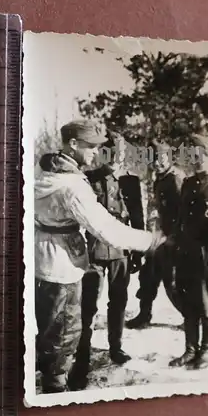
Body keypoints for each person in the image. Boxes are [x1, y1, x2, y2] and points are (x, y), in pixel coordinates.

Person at [34, 120, 166, 393]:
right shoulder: (75, 184)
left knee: (56, 334)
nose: (97, 152)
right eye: (91, 147)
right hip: (69, 265)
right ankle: (60, 389)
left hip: (48, 260)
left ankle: (65, 376)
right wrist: (149, 241)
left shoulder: (44, 169)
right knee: (65, 335)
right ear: (73, 145)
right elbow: (106, 228)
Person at [69, 133, 145, 389]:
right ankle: (82, 360)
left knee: (119, 302)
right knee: (88, 307)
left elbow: (137, 217)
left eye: (120, 154)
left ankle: (116, 348)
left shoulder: (131, 182)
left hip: (121, 250)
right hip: (95, 252)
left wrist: (137, 251)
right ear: (102, 154)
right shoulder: (88, 180)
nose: (115, 159)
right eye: (110, 153)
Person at [169, 135, 208, 370]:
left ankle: (206, 350)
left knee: (206, 303)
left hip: (207, 253)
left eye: (200, 154)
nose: (195, 159)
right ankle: (190, 349)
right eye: (192, 155)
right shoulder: (189, 184)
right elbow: (181, 218)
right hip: (186, 249)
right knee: (188, 301)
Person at [126, 141, 185, 329]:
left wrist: (173, 238)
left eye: (161, 159)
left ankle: (192, 318)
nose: (157, 163)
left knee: (172, 282)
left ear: (169, 158)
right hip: (157, 237)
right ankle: (144, 315)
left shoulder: (175, 179)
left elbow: (182, 212)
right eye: (154, 160)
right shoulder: (159, 178)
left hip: (171, 239)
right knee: (148, 277)